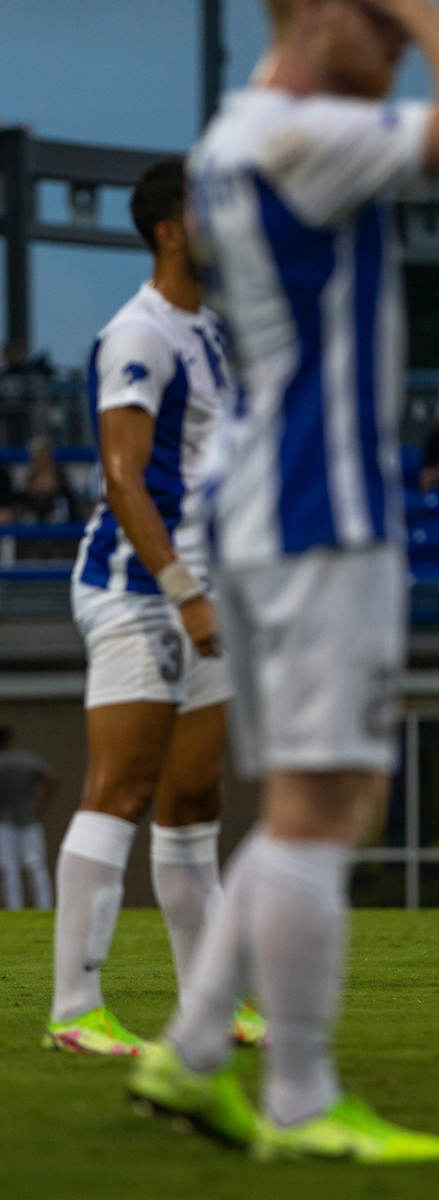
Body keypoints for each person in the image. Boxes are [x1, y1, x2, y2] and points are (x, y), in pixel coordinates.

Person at [128, 0, 439, 1163]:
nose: (398, 39)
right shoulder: (298, 135)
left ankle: (194, 1052)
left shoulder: (233, 137)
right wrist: (424, 14)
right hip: (314, 508)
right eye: (378, 17)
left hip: (266, 504)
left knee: (322, 802)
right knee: (323, 805)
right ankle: (297, 1096)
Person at [44, 161, 264, 1056]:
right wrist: (184, 593)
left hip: (201, 591)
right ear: (172, 229)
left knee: (194, 800)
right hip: (142, 591)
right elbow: (122, 479)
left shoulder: (205, 329)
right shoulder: (138, 334)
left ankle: (207, 1001)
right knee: (121, 791)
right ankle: (72, 1010)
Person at [0, 726, 57, 910]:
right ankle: (45, 906)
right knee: (36, 865)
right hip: (29, 819)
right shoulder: (26, 760)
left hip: (5, 821)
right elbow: (51, 777)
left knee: (10, 867)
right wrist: (41, 804)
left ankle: (14, 907)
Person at [19, 435, 78, 525]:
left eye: (44, 454)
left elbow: (69, 499)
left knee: (56, 517)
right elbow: (23, 499)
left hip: (56, 514)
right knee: (28, 519)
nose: (41, 458)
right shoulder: (30, 476)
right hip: (35, 515)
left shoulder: (60, 474)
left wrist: (54, 487)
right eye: (38, 454)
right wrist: (33, 489)